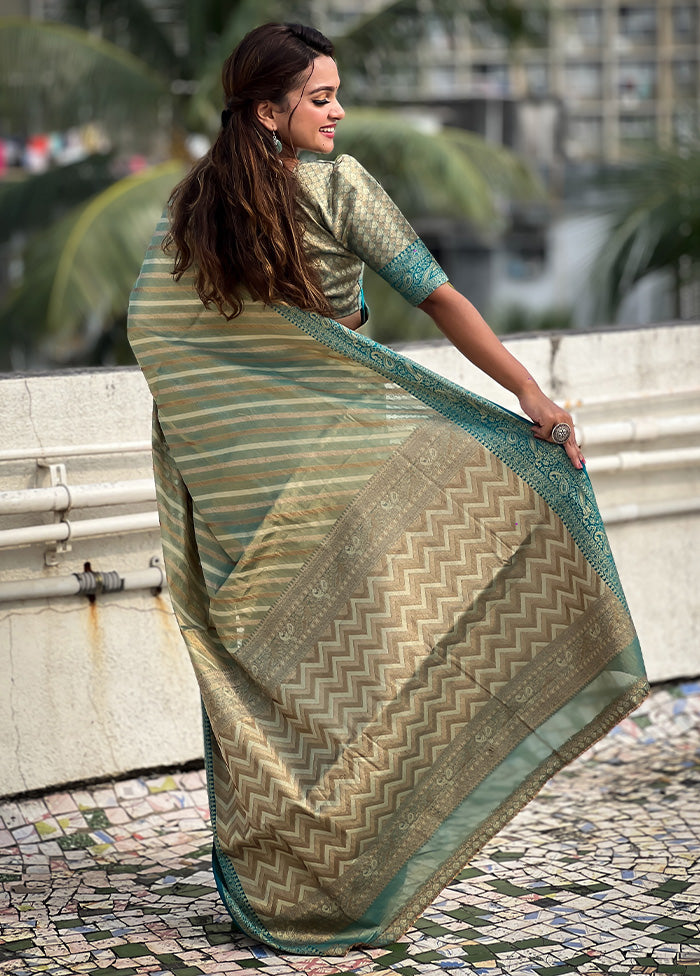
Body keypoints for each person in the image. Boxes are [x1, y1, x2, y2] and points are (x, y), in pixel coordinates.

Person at [128, 22, 648, 956]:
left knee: (285, 688)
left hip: (254, 499)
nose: (336, 111)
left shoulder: (193, 208)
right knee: (374, 677)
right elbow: (436, 295)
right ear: (267, 110)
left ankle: (287, 881)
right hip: (346, 472)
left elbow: (166, 334)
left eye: (336, 95)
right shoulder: (339, 184)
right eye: (319, 97)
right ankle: (368, 874)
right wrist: (526, 392)